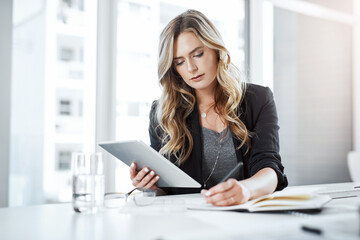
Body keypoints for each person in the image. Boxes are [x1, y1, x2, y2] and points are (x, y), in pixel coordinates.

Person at [129, 9, 288, 206]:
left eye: (197, 54)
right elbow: (167, 190)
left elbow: (270, 168)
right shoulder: (163, 113)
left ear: (215, 49)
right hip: (188, 225)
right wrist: (151, 187)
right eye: (179, 62)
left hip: (246, 216)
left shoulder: (258, 99)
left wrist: (246, 189)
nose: (191, 68)